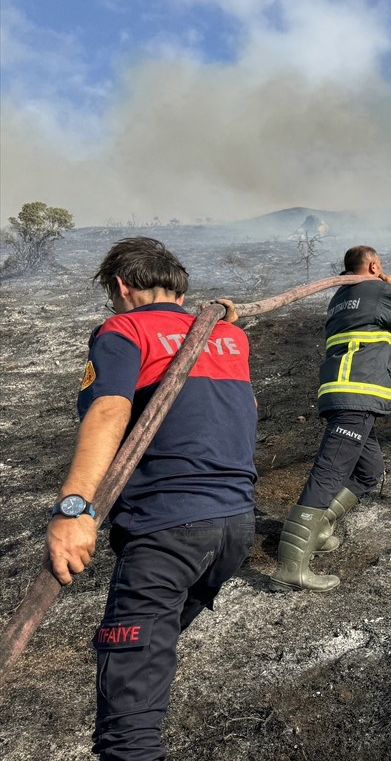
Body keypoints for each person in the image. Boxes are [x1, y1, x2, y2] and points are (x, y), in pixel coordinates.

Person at [45, 236, 257, 761]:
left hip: (167, 531)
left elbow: (109, 411)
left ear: (120, 286)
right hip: (233, 527)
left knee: (130, 733)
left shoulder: (123, 330)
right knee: (143, 654)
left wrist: (75, 508)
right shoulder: (228, 336)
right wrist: (222, 319)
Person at [270, 245, 391, 591]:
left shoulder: (342, 296)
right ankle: (291, 568)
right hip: (357, 393)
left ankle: (319, 529)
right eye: (380, 266)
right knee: (327, 473)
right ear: (373, 264)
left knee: (369, 471)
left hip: (344, 391)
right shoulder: (376, 289)